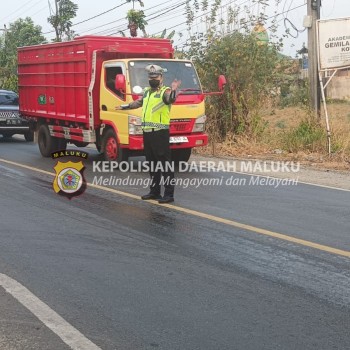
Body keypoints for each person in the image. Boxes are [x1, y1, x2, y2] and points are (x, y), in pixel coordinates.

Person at [115, 64, 181, 204]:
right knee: (152, 163)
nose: (152, 79)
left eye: (155, 77)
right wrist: (123, 106)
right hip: (148, 133)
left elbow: (171, 99)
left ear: (161, 77)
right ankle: (155, 191)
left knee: (165, 165)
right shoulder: (147, 92)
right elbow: (138, 103)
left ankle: (169, 194)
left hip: (160, 133)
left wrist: (174, 90)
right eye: (150, 77)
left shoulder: (165, 91)